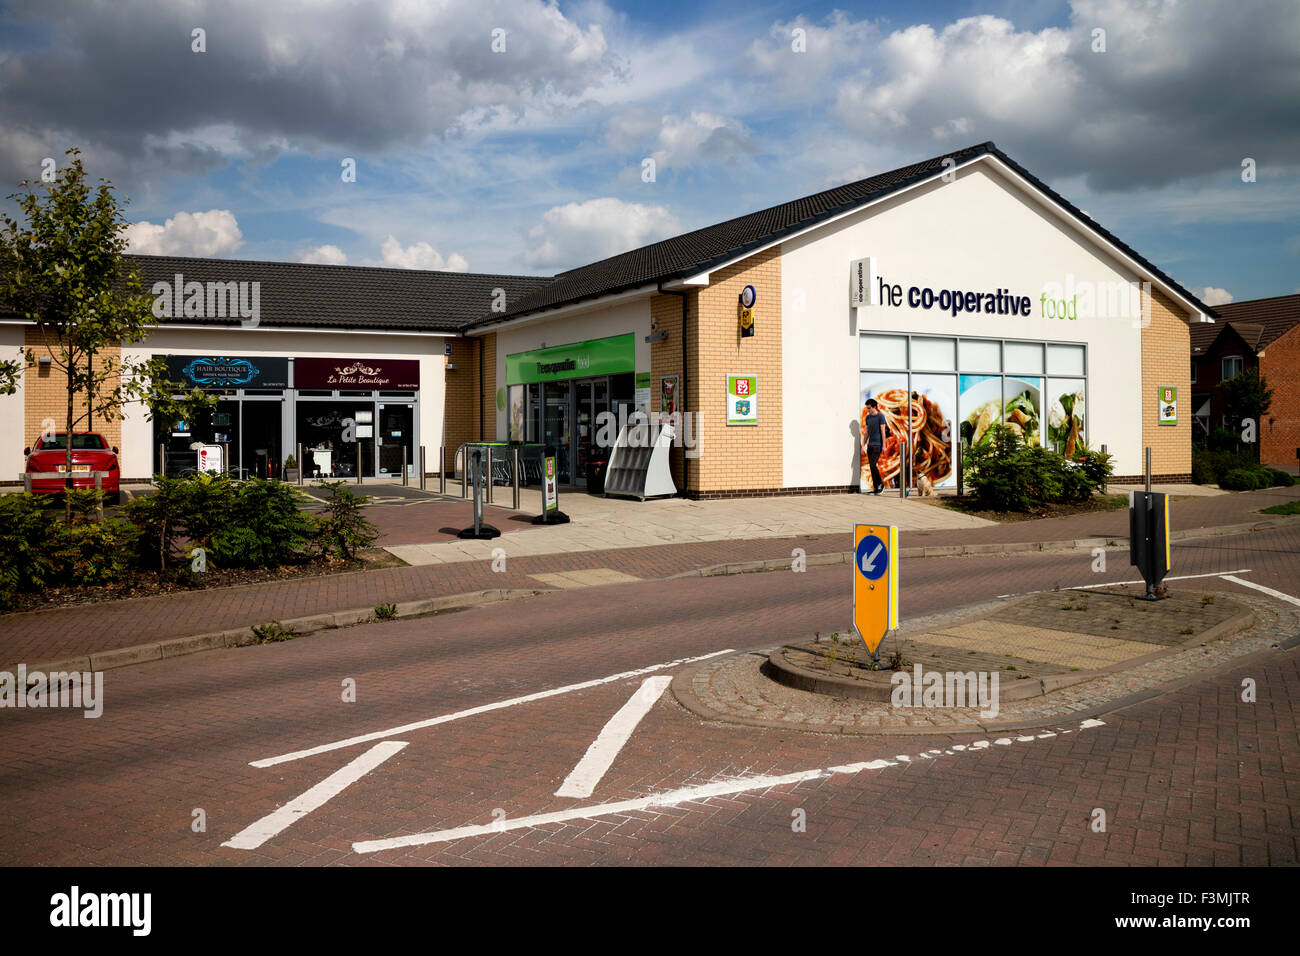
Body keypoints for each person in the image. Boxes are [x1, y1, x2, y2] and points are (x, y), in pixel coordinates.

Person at [862, 397, 887, 494]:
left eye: (869, 408)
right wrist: (863, 444)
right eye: (867, 408)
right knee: (871, 466)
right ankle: (876, 487)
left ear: (874, 407)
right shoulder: (868, 418)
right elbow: (867, 432)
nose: (867, 410)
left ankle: (881, 485)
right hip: (870, 445)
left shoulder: (880, 417)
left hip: (878, 445)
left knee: (873, 465)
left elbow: (883, 432)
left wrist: (884, 446)